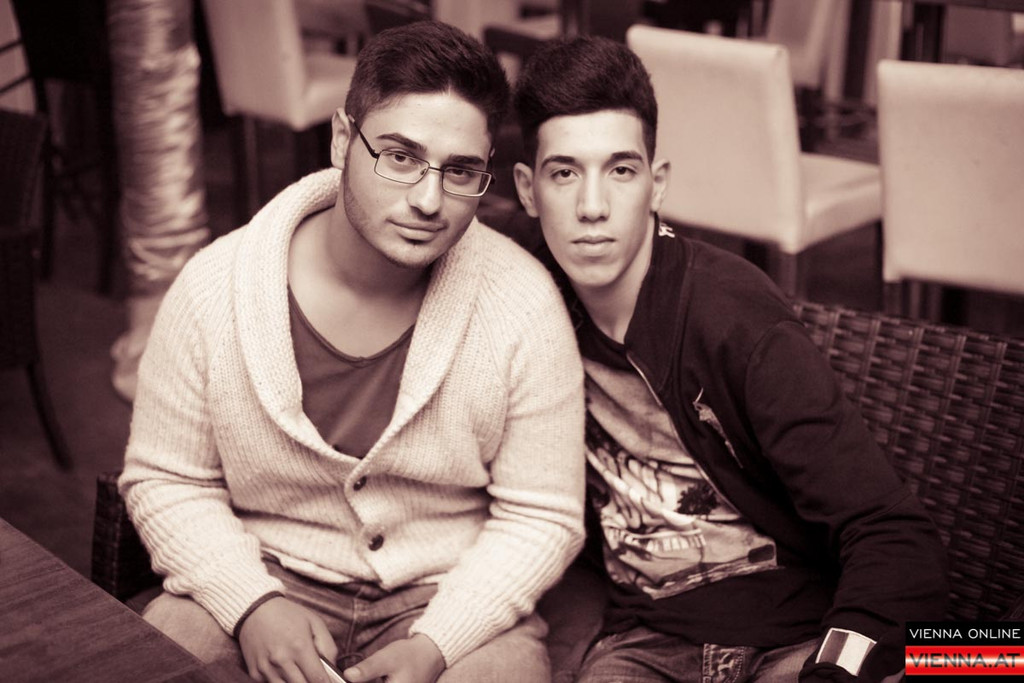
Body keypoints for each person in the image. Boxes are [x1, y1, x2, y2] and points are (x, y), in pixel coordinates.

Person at [119, 21, 586, 683]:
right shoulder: (213, 289)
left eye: (460, 171)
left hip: (445, 591)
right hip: (263, 566)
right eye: (399, 156)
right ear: (342, 139)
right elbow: (166, 479)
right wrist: (250, 604)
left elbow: (543, 513)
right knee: (160, 659)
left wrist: (438, 641)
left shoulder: (522, 304)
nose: (428, 199)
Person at [511, 36, 948, 682]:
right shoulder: (523, 297)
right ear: (528, 189)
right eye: (564, 173)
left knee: (986, 656)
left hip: (796, 635)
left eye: (621, 171)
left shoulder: (733, 317)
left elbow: (892, 533)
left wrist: (837, 668)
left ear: (657, 184)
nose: (592, 208)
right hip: (647, 644)